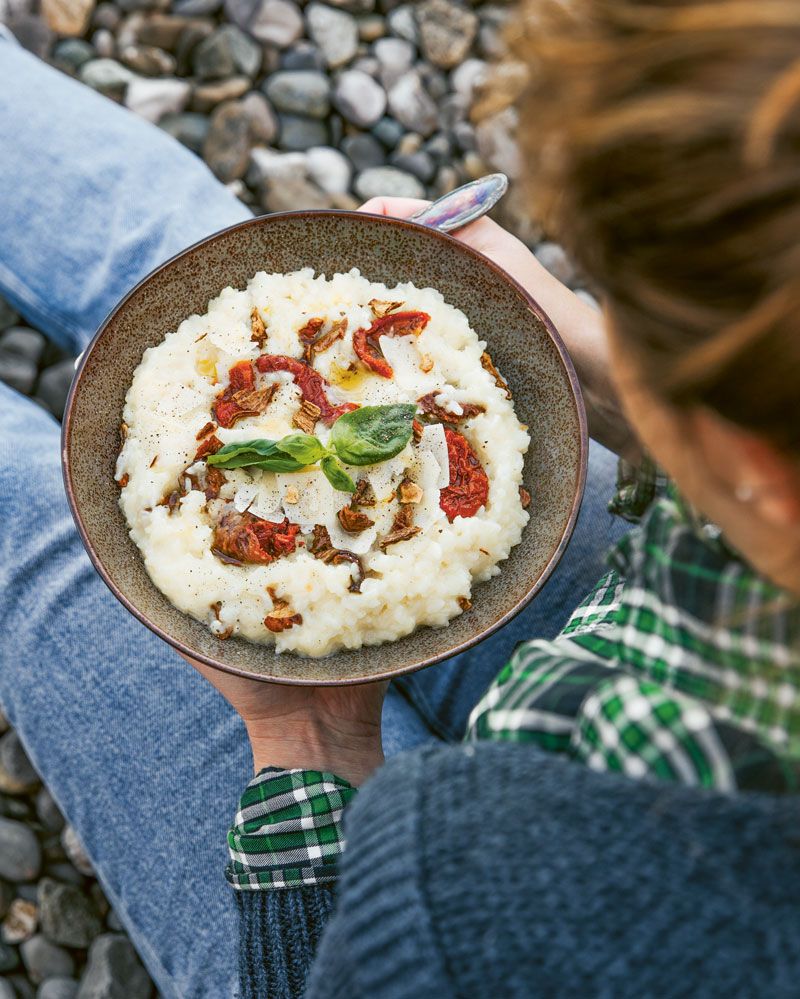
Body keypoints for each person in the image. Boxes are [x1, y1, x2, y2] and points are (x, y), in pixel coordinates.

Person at [1, 0, 799, 995]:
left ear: (753, 464)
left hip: (396, 895)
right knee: (184, 251)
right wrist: (614, 369)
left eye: (623, 302)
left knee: (30, 527)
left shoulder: (458, 914)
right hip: (670, 609)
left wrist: (308, 737)